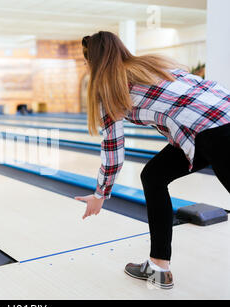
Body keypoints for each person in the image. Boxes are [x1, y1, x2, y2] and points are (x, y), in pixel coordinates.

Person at [75, 31, 230, 289]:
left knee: (153, 176)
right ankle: (159, 266)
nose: (85, 65)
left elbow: (113, 152)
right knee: (154, 175)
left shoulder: (108, 89)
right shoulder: (153, 65)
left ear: (94, 61)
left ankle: (160, 266)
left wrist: (100, 194)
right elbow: (204, 90)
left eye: (86, 59)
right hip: (212, 125)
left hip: (215, 134)